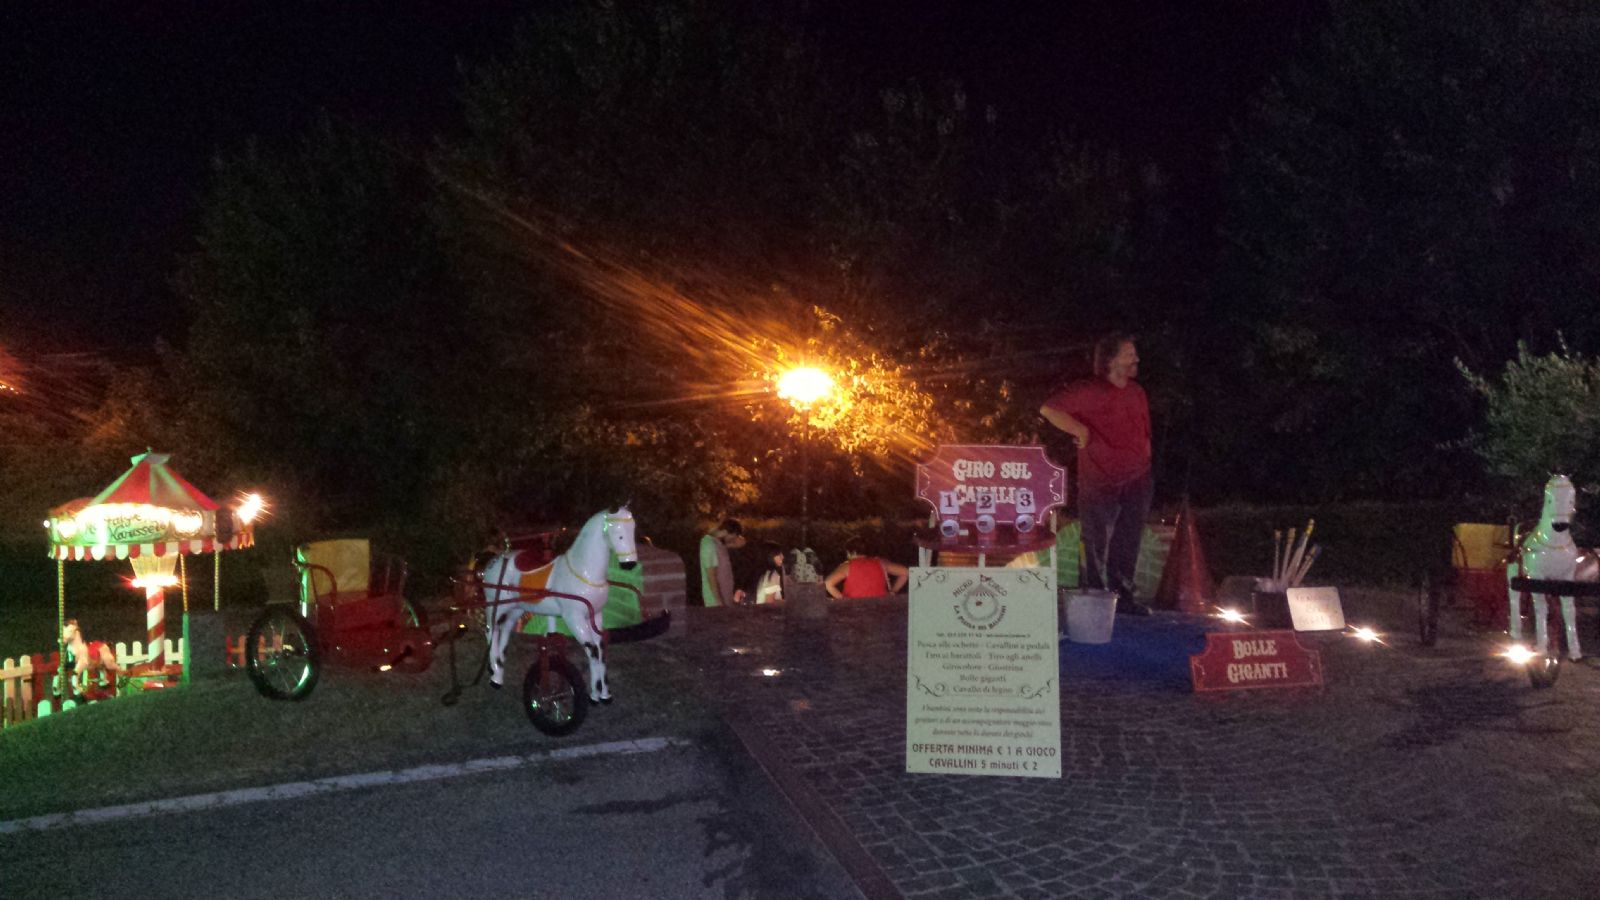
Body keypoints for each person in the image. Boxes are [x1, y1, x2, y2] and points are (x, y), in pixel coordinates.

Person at [1039, 333, 1154, 615]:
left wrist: (1145, 456)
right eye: (1129, 354)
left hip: (1138, 477)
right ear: (1111, 360)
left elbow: (1143, 430)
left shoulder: (1136, 392)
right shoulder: (1090, 390)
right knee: (1095, 540)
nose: (1136, 359)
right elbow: (1049, 409)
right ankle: (1093, 598)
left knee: (1129, 538)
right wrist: (1079, 429)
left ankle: (1122, 596)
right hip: (1099, 478)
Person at [824, 535, 909, 599]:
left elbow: (828, 583)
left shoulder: (847, 566)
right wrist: (893, 591)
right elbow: (905, 572)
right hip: (880, 607)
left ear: (852, 552)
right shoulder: (881, 562)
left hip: (855, 609)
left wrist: (843, 599)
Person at [699, 518, 746, 607]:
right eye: (732, 537)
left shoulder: (719, 543)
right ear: (724, 532)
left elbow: (742, 542)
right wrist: (719, 602)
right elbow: (711, 577)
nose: (733, 540)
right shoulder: (709, 545)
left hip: (726, 597)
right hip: (716, 602)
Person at [752, 540, 786, 605]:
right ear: (770, 556)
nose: (782, 557)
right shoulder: (772, 575)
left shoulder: (761, 573)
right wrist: (787, 602)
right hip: (767, 611)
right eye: (778, 554)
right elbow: (769, 602)